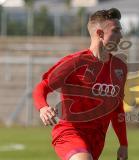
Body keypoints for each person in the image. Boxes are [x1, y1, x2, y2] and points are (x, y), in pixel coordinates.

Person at [32, 8, 128, 160]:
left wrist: (123, 144)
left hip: (97, 139)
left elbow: (117, 108)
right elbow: (42, 87)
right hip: (70, 133)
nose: (121, 35)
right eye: (115, 31)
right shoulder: (75, 62)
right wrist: (43, 107)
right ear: (100, 34)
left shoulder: (119, 67)